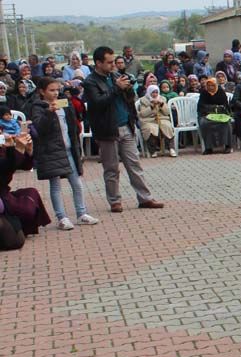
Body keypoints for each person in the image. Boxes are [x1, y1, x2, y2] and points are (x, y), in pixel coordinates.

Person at [83, 46, 163, 213]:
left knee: (135, 165)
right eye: (109, 62)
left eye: (114, 61)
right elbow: (98, 103)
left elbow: (129, 99)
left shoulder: (116, 76)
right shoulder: (90, 82)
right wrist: (116, 88)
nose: (113, 65)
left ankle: (145, 198)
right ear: (98, 63)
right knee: (111, 168)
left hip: (126, 125)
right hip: (107, 130)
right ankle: (115, 201)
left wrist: (127, 89)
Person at [29, 78, 99, 230]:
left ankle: (81, 213)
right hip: (51, 151)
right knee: (55, 185)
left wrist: (76, 145)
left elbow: (72, 124)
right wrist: (49, 112)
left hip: (68, 149)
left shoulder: (63, 103)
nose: (55, 93)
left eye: (57, 90)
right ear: (42, 91)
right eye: (51, 90)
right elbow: (40, 128)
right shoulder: (38, 107)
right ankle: (62, 217)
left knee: (77, 183)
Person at [0, 130, 51, 237]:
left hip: (5, 193)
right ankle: (15, 228)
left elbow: (25, 166)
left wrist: (28, 150)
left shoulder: (3, 146)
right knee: (26, 208)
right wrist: (17, 149)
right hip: (2, 197)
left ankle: (22, 228)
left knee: (32, 193)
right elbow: (7, 167)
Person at [135, 85, 176, 158]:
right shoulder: (143, 100)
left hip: (162, 118)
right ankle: (152, 150)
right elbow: (143, 114)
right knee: (150, 129)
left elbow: (167, 112)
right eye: (153, 92)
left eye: (156, 92)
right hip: (148, 120)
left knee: (167, 126)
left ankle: (171, 148)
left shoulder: (162, 99)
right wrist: (151, 106)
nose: (155, 94)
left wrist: (162, 104)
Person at [197, 77, 233, 155]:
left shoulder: (220, 92)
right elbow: (201, 106)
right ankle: (208, 147)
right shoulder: (204, 93)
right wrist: (213, 108)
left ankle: (227, 146)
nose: (210, 87)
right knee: (204, 123)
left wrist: (217, 109)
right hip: (206, 114)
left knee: (226, 123)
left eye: (212, 85)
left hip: (220, 114)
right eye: (209, 85)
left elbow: (225, 105)